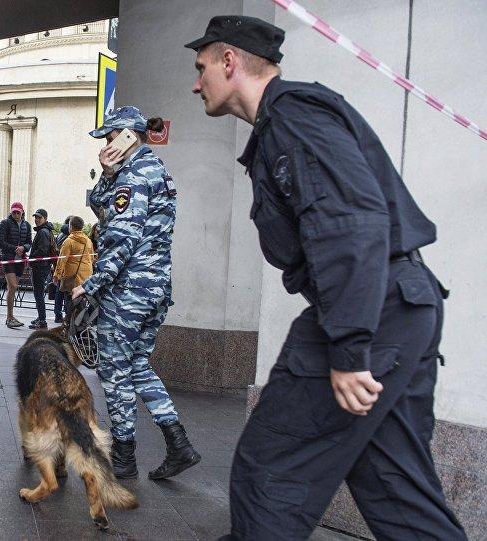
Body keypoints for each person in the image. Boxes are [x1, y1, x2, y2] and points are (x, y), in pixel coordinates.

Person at [186, 16, 466, 540]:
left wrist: (349, 347)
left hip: (374, 309)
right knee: (393, 485)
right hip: (400, 304)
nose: (196, 82)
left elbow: (349, 222)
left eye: (202, 68)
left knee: (270, 469)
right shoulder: (286, 124)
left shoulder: (293, 118)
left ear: (230, 62)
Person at [71, 106, 200, 481]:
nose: (107, 144)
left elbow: (121, 237)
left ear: (128, 135)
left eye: (111, 137)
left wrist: (90, 285)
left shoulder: (135, 176)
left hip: (129, 289)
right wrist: (109, 174)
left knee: (114, 372)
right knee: (139, 366)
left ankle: (124, 458)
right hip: (155, 288)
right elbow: (101, 207)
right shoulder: (149, 170)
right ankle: (178, 444)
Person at [0, 202, 32, 328]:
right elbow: (0, 242)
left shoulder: (27, 225)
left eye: (18, 212)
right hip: (8, 258)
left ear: (22, 212)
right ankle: (9, 317)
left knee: (13, 288)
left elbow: (29, 242)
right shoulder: (4, 223)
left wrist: (23, 248)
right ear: (11, 212)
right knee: (13, 285)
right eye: (14, 212)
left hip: (20, 260)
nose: (16, 214)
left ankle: (10, 317)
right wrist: (14, 248)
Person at [52, 216, 94, 322]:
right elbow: (92, 258)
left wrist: (57, 275)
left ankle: (70, 325)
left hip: (72, 278)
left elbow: (62, 260)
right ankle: (80, 323)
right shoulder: (88, 241)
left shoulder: (69, 241)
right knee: (82, 305)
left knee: (70, 304)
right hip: (86, 278)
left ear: (70, 226)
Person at [28, 209, 55, 329]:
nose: (36, 220)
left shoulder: (43, 232)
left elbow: (42, 251)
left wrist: (31, 258)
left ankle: (42, 320)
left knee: (38, 294)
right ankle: (40, 317)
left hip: (40, 266)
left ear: (45, 218)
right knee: (38, 293)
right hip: (42, 266)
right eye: (36, 217)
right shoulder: (44, 230)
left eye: (39, 218)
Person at [52, 218, 71, 323]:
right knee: (65, 293)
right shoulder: (68, 237)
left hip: (60, 268)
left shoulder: (60, 234)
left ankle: (57, 314)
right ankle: (64, 315)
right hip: (67, 268)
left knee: (59, 293)